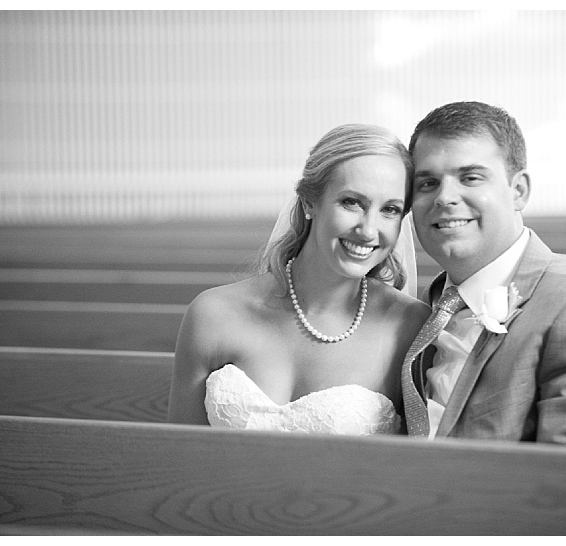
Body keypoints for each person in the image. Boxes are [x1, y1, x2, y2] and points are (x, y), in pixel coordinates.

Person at [403, 101, 566, 450]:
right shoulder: (424, 308)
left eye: (471, 177)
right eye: (428, 183)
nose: (445, 197)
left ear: (519, 191)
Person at [167, 124, 431, 435]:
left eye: (390, 210)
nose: (369, 230)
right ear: (309, 201)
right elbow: (180, 455)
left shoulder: (410, 326)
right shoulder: (212, 314)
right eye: (351, 202)